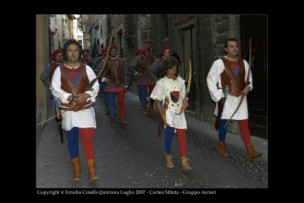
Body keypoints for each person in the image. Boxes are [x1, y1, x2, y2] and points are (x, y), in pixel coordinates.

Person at [51, 39, 100, 181]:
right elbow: (55, 89)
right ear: (65, 53)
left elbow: (95, 86)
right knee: (72, 141)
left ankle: (91, 171)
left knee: (88, 141)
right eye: (70, 50)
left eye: (76, 50)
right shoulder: (59, 70)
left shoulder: (87, 69)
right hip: (69, 113)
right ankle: (77, 170)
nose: (73, 53)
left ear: (79, 52)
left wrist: (86, 94)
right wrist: (69, 97)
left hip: (85, 112)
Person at [206, 37, 262, 160]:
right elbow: (210, 80)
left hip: (240, 97)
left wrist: (249, 87)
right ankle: (221, 145)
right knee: (223, 123)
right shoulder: (219, 63)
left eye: (236, 46)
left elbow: (249, 79)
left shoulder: (244, 63)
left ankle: (249, 150)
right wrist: (218, 96)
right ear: (226, 49)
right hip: (226, 97)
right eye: (231, 46)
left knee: (244, 123)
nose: (234, 48)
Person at [150, 56, 192, 173]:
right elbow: (158, 101)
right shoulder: (161, 83)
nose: (173, 70)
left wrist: (185, 103)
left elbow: (184, 98)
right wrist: (163, 117)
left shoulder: (181, 82)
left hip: (179, 114)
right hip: (168, 113)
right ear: (166, 69)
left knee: (182, 136)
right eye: (171, 68)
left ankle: (184, 162)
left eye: (175, 68)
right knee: (168, 136)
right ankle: (168, 156)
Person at [101, 45, 128, 128]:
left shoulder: (122, 61)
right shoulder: (104, 61)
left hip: (120, 85)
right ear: (109, 52)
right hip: (110, 85)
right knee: (111, 103)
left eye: (115, 50)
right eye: (112, 51)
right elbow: (97, 71)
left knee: (121, 103)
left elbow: (125, 73)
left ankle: (123, 119)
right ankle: (112, 119)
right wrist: (104, 78)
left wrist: (126, 84)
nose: (114, 52)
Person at [129, 47, 157, 115]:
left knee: (153, 94)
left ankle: (151, 107)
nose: (147, 53)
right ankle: (145, 108)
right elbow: (131, 66)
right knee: (143, 94)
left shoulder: (153, 59)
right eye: (146, 52)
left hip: (151, 78)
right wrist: (136, 73)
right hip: (141, 78)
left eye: (148, 51)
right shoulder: (138, 59)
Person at [40, 48, 64, 122]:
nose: (59, 57)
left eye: (61, 55)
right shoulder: (50, 66)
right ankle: (59, 122)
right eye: (58, 56)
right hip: (55, 91)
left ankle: (66, 121)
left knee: (65, 107)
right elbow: (43, 77)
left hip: (66, 89)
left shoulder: (67, 65)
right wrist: (51, 86)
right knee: (57, 108)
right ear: (55, 57)